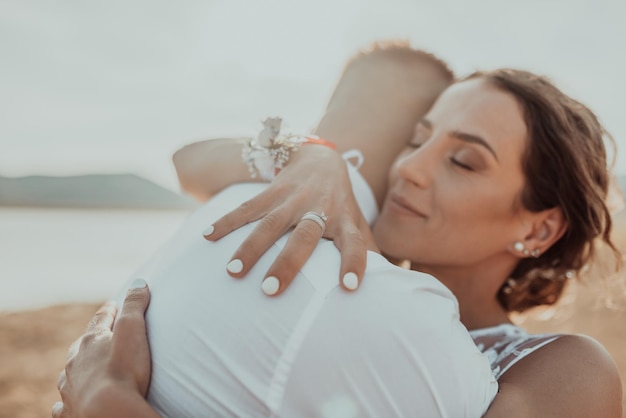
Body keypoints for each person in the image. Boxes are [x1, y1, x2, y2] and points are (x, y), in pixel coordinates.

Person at [55, 43, 624, 417]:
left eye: (464, 162)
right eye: (419, 139)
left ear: (541, 227)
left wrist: (110, 403)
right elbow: (188, 162)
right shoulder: (344, 269)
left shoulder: (567, 368)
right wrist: (309, 155)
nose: (411, 169)